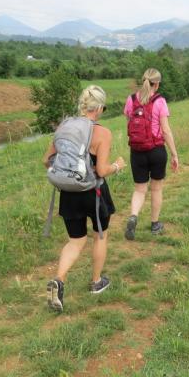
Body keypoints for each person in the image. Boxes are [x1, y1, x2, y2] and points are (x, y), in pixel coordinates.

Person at [42, 85, 126, 311]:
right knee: (100, 236)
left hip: (68, 194)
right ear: (98, 108)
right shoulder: (102, 133)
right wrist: (117, 166)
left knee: (75, 240)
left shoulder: (64, 127)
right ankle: (97, 282)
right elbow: (101, 171)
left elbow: (46, 160)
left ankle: (58, 280)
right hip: (93, 193)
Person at [123, 68, 179, 239]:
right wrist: (174, 154)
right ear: (157, 83)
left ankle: (133, 216)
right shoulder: (160, 101)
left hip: (137, 151)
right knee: (156, 189)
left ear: (144, 81)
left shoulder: (131, 99)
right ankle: (155, 224)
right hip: (156, 150)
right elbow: (166, 130)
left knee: (140, 189)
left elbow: (129, 123)